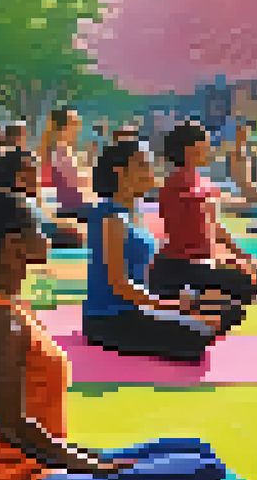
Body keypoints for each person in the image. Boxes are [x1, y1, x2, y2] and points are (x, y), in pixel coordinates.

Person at [0, 188, 227, 480]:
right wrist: (88, 464)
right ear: (14, 246)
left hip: (32, 478)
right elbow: (10, 425)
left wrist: (89, 460)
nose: (48, 236)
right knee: (201, 471)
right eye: (39, 229)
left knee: (196, 450)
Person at [83, 140, 235, 362]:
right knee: (199, 335)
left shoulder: (133, 213)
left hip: (137, 310)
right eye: (143, 165)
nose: (151, 171)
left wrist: (188, 299)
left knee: (223, 312)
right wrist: (173, 306)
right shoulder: (112, 218)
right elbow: (119, 283)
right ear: (120, 172)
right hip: (110, 319)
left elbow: (141, 273)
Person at [147, 122, 257, 308]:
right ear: (190, 150)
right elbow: (186, 237)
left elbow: (214, 227)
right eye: (206, 145)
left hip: (200, 264)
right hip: (180, 266)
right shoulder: (175, 186)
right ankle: (190, 295)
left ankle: (202, 295)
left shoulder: (202, 182)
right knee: (245, 283)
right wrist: (218, 262)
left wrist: (242, 255)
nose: (211, 150)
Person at [40, 109, 93, 221]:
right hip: (71, 213)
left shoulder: (65, 152)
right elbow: (80, 183)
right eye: (74, 124)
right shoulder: (57, 153)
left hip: (77, 210)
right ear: (63, 128)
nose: (78, 129)